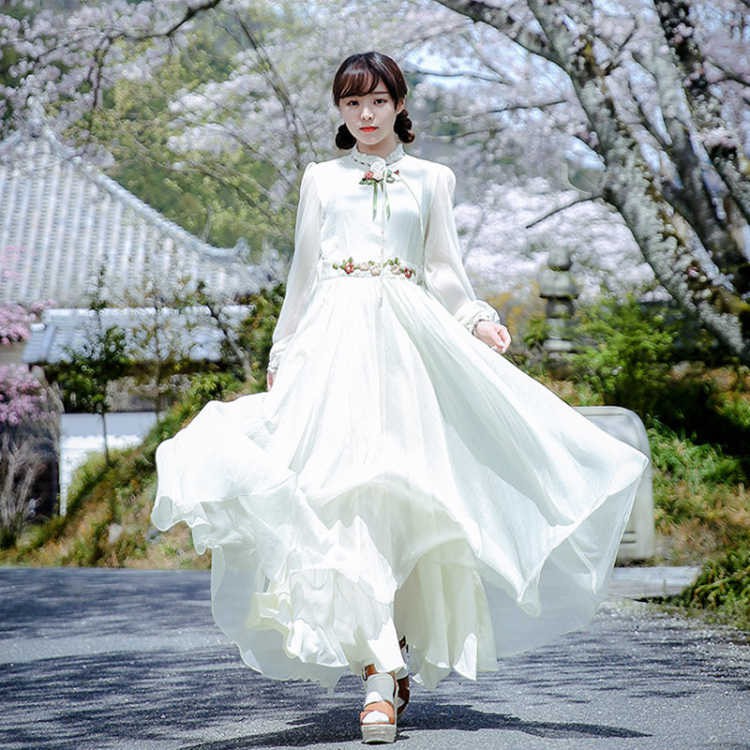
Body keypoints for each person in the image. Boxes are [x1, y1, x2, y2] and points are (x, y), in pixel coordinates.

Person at [152, 51, 649, 744]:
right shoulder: (320, 180)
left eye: (377, 101)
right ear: (340, 111)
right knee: (342, 500)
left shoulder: (432, 179)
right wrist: (282, 352)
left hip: (409, 350)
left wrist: (477, 317)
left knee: (408, 497)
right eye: (352, 103)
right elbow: (303, 275)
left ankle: (389, 664)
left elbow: (445, 268)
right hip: (334, 347)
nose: (365, 114)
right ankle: (378, 675)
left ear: (399, 104)